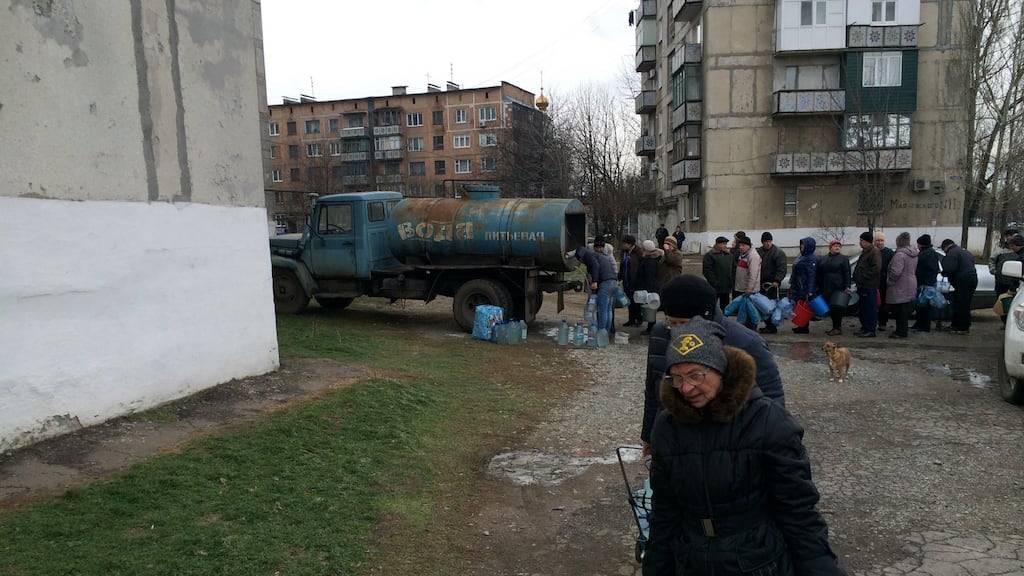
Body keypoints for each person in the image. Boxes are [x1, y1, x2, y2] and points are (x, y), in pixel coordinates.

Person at [643, 316, 846, 576]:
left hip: (757, 562)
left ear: (720, 369)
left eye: (696, 375)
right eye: (677, 378)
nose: (686, 388)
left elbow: (797, 510)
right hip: (691, 559)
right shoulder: (667, 428)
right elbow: (665, 511)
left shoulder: (769, 422)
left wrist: (821, 568)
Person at [640, 275, 784, 457]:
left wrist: (770, 449)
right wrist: (649, 436)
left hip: (731, 444)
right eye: (671, 323)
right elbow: (653, 390)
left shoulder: (746, 342)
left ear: (706, 316)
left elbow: (773, 399)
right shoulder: (661, 335)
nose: (677, 331)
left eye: (684, 324)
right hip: (678, 439)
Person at [572, 240, 618, 334]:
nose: (581, 262)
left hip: (605, 283)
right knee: (608, 310)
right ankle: (606, 333)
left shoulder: (589, 256)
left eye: (580, 260)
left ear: (581, 257)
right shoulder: (599, 256)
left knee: (602, 309)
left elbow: (595, 266)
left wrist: (594, 282)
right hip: (613, 282)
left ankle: (601, 333)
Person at [939, 238, 978, 335]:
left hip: (962, 281)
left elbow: (949, 268)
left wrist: (944, 273)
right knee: (964, 303)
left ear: (945, 247)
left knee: (961, 304)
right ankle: (957, 324)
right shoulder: (964, 251)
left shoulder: (952, 253)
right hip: (971, 279)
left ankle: (962, 327)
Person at [885, 232, 918, 339]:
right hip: (910, 283)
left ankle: (901, 331)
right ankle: (903, 329)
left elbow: (896, 272)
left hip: (900, 285)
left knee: (900, 310)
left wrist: (889, 281)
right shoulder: (913, 254)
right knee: (904, 309)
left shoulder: (900, 255)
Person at [818, 239, 852, 336]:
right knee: (830, 308)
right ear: (830, 247)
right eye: (835, 245)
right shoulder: (824, 258)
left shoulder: (843, 259)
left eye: (839, 246)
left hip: (838, 287)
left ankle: (838, 327)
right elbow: (820, 272)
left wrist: (847, 286)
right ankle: (834, 327)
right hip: (826, 286)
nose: (837, 247)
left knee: (837, 307)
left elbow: (847, 273)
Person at [756, 231, 788, 334]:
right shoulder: (758, 252)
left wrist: (777, 280)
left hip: (772, 284)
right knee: (762, 305)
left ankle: (772, 326)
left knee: (771, 306)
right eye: (765, 241)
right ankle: (768, 325)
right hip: (761, 284)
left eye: (769, 241)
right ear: (762, 242)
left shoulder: (778, 253)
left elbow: (782, 268)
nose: (768, 243)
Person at [852, 231, 882, 338]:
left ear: (867, 241)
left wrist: (863, 276)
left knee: (870, 308)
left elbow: (876, 268)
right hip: (862, 285)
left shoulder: (874, 252)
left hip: (869, 285)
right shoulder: (865, 252)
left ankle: (870, 329)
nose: (860, 242)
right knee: (863, 308)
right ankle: (865, 327)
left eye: (861, 240)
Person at [911, 234, 941, 333]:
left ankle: (923, 326)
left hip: (925, 285)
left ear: (921, 244)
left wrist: (925, 283)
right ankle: (919, 324)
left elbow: (929, 270)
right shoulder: (931, 253)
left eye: (918, 244)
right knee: (921, 306)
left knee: (923, 306)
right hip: (927, 284)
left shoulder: (925, 254)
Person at [789, 237, 819, 334]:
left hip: (804, 286)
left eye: (803, 245)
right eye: (801, 244)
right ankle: (801, 326)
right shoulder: (801, 256)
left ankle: (804, 327)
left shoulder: (811, 258)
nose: (801, 246)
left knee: (804, 307)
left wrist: (810, 290)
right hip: (798, 285)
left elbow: (812, 275)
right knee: (799, 306)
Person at [634, 239, 663, 335]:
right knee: (651, 308)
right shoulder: (654, 260)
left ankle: (651, 329)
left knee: (651, 308)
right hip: (652, 286)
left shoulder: (648, 262)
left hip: (649, 287)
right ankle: (651, 328)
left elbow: (649, 276)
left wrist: (646, 289)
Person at [732, 236, 761, 328]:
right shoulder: (743, 254)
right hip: (742, 288)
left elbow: (753, 274)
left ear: (748, 246)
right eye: (740, 245)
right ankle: (746, 328)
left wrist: (750, 288)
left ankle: (751, 329)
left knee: (751, 312)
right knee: (744, 311)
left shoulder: (753, 256)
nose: (740, 247)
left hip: (749, 290)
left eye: (743, 245)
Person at [702, 236, 734, 311]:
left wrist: (731, 280)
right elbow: (707, 270)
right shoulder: (710, 255)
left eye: (726, 244)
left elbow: (733, 268)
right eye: (723, 244)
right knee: (711, 306)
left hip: (726, 287)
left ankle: (724, 321)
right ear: (717, 244)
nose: (725, 246)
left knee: (725, 308)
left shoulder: (729, 255)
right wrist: (714, 281)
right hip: (714, 287)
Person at [620, 234, 644, 327]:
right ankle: (631, 319)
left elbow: (641, 265)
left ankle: (639, 318)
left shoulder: (638, 252)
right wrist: (620, 275)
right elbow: (622, 265)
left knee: (636, 300)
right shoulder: (624, 252)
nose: (624, 245)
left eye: (625, 244)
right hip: (626, 279)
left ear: (630, 244)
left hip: (635, 279)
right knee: (629, 300)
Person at [874, 232, 895, 331]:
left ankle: (883, 323)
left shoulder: (889, 252)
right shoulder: (871, 251)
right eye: (878, 240)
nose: (880, 242)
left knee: (883, 304)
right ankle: (873, 321)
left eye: (881, 240)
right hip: (873, 282)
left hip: (884, 283)